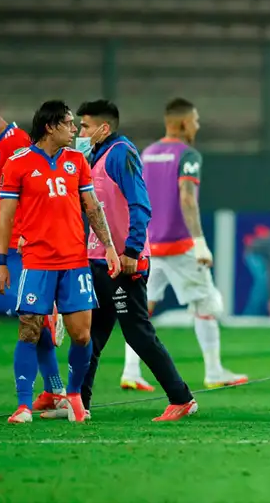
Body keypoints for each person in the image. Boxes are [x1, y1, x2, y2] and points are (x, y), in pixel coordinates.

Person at [0, 101, 120, 423]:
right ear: (50, 126)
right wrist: (1, 260)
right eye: (68, 123)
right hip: (36, 261)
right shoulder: (17, 163)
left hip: (75, 261)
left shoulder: (77, 160)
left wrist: (109, 247)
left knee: (81, 336)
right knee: (29, 330)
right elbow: (6, 219)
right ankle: (23, 404)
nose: (75, 129)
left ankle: (73, 395)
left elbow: (92, 207)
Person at [72, 100, 197, 422]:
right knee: (92, 335)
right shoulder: (96, 155)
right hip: (99, 257)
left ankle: (181, 398)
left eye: (84, 126)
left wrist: (131, 250)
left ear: (104, 128)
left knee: (137, 332)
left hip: (124, 260)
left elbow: (140, 204)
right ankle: (78, 404)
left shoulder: (121, 153)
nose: (79, 132)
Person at [131, 98, 247, 390]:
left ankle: (130, 372)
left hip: (150, 244)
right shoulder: (188, 154)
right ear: (183, 123)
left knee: (142, 309)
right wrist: (199, 242)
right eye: (195, 120)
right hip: (179, 246)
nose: (197, 125)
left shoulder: (147, 153)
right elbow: (186, 197)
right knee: (206, 304)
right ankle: (214, 371)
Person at [0, 94, 66, 415]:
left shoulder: (14, 144)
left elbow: (30, 194)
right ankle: (55, 392)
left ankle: (47, 313)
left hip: (13, 243)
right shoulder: (5, 145)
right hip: (11, 240)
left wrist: (23, 235)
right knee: (31, 319)